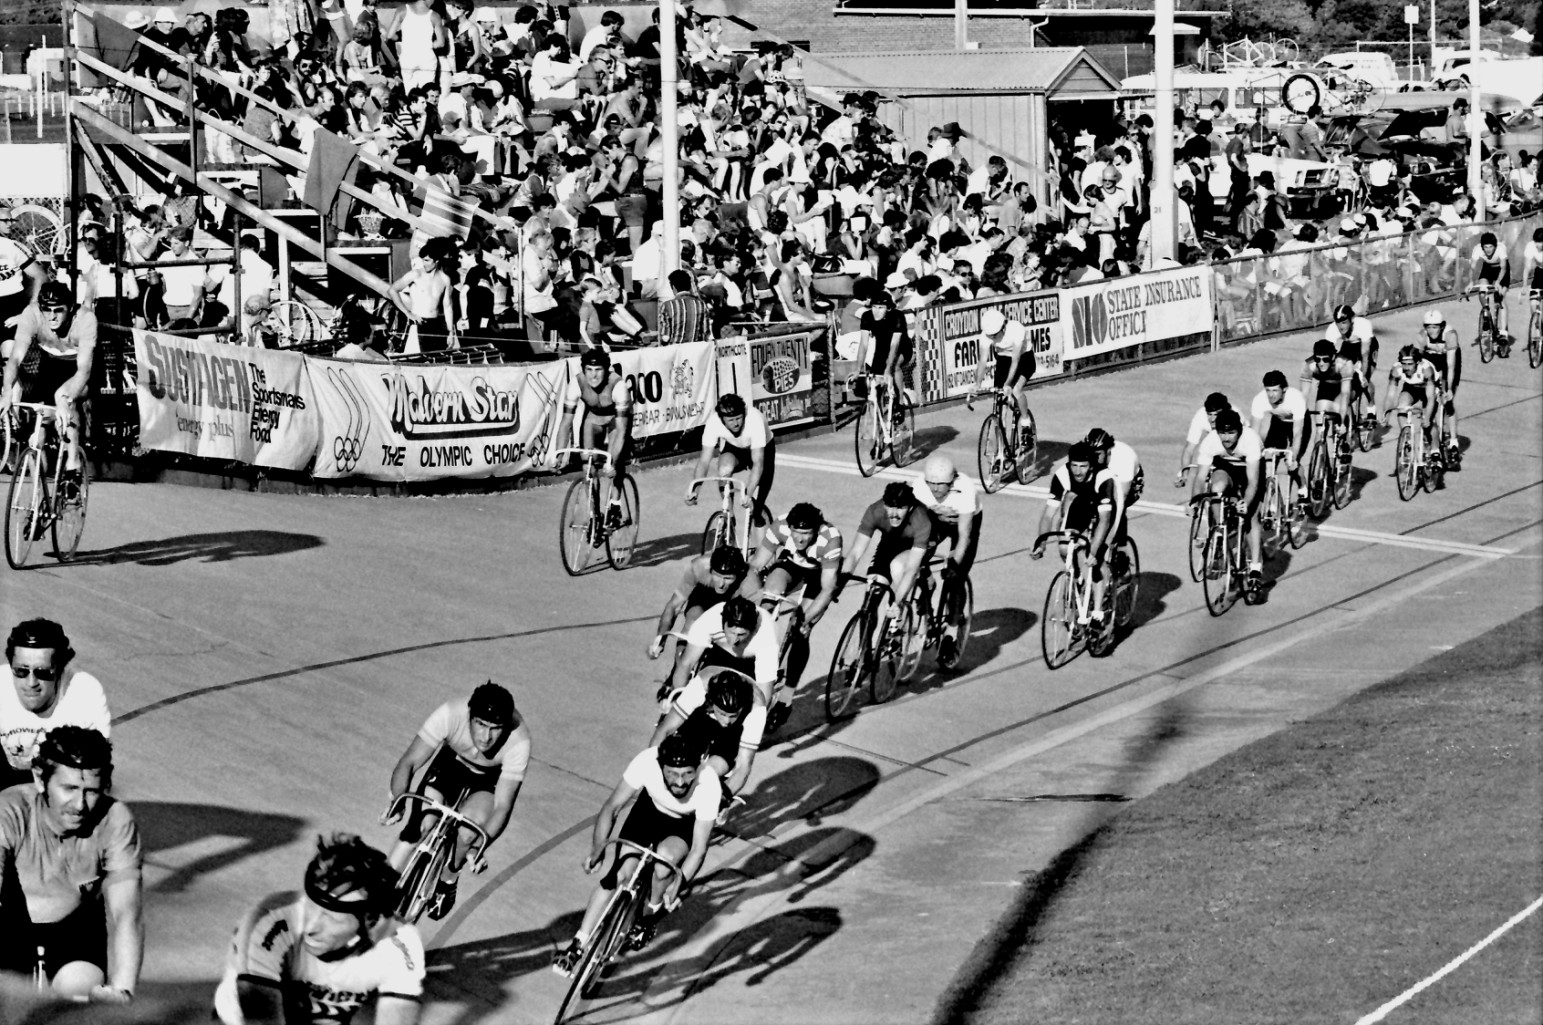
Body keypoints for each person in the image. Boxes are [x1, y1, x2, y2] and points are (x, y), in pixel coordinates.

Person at [552, 732, 720, 974]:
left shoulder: (709, 784)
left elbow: (698, 849)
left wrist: (679, 884)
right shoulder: (647, 761)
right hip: (648, 812)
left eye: (687, 774)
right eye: (672, 774)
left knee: (665, 866)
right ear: (661, 767)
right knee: (617, 876)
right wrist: (598, 848)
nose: (681, 782)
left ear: (699, 767)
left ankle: (648, 917)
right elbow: (612, 807)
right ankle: (578, 945)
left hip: (682, 825)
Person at [213, 833, 423, 1025]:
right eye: (311, 907)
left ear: (371, 921)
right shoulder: (269, 923)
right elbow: (261, 1020)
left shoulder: (401, 942)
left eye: (332, 918)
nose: (310, 927)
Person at [0, 726, 141, 1003]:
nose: (80, 805)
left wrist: (122, 992)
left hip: (72, 933)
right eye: (69, 789)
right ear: (40, 780)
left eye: (91, 791)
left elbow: (127, 913)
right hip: (8, 929)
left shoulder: (115, 821)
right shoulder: (8, 811)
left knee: (78, 999)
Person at [382, 681, 529, 921]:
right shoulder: (450, 713)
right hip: (451, 765)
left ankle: (449, 876)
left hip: (488, 782)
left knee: (469, 832)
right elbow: (409, 762)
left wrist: (477, 848)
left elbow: (503, 807)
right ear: (469, 715)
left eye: (495, 728)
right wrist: (398, 801)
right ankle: (382, 888)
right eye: (480, 724)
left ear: (507, 726)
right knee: (421, 823)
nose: (486, 736)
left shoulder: (519, 741)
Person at [748, 501, 843, 715]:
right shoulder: (780, 526)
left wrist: (805, 620)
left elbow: (827, 590)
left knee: (800, 631)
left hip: (819, 573)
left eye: (807, 533)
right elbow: (755, 566)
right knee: (767, 598)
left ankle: (786, 698)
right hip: (791, 564)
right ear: (789, 528)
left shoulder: (830, 538)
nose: (800, 538)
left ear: (816, 530)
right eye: (796, 532)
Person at [0, 283, 98, 487]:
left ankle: (72, 467)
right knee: (40, 425)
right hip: (51, 362)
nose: (52, 316)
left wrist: (66, 399)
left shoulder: (85, 320)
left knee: (63, 399)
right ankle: (38, 498)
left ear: (70, 308)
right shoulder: (32, 314)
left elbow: (84, 371)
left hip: (80, 366)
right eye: (47, 310)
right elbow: (15, 359)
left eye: (58, 310)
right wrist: (7, 391)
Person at [0, 619, 111, 793]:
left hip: (62, 779)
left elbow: (94, 772)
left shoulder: (84, 692)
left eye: (43, 672)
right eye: (21, 671)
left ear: (60, 669)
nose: (31, 683)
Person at [651, 651, 759, 816]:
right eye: (722, 714)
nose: (727, 720)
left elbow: (743, 767)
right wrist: (652, 767)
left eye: (732, 715)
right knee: (683, 754)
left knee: (712, 771)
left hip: (733, 732)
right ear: (711, 701)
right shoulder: (699, 689)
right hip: (702, 713)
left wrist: (722, 797)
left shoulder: (756, 710)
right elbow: (664, 730)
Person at [909, 453, 980, 668]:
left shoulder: (966, 488)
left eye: (942, 485)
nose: (936, 489)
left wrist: (955, 565)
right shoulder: (919, 487)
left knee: (955, 577)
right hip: (936, 521)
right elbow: (916, 529)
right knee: (918, 556)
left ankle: (951, 631)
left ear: (952, 481)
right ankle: (927, 587)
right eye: (931, 483)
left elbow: (965, 534)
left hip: (965, 523)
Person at [1032, 442, 1116, 623]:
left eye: (1083, 466)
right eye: (1074, 466)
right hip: (1082, 504)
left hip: (1102, 509)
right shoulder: (1062, 475)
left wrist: (1093, 551)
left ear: (1091, 466)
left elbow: (1105, 521)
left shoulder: (1104, 477)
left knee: (1095, 558)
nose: (1077, 471)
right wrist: (1041, 544)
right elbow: (1048, 514)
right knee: (1064, 547)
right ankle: (1077, 578)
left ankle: (1098, 612)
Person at [555, 347, 634, 523]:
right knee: (587, 466)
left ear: (606, 370)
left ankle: (615, 503)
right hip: (594, 419)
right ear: (583, 371)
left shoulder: (618, 385)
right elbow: (566, 422)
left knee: (614, 461)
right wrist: (559, 453)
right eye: (589, 370)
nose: (594, 376)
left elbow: (621, 430)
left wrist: (611, 461)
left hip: (617, 419)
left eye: (598, 370)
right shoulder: (576, 384)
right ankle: (594, 515)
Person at [1190, 408, 1265, 593]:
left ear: (1239, 430)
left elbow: (1253, 482)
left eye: (1231, 433)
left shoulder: (1251, 440)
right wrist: (1194, 502)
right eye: (1222, 433)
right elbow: (1200, 477)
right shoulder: (1210, 442)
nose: (1226, 438)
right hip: (1227, 467)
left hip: (1250, 469)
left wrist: (1245, 503)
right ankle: (1220, 531)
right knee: (1216, 488)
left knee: (1251, 516)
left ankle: (1255, 568)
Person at [648, 545, 754, 669]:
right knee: (693, 620)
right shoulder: (698, 567)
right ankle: (677, 669)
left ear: (738, 574)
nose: (721, 584)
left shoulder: (750, 583)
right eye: (717, 575)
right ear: (710, 569)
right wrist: (661, 637)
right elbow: (674, 606)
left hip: (733, 605)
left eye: (727, 578)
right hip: (705, 596)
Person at [840, 481, 932, 619]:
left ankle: (904, 620)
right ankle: (865, 640)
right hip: (890, 543)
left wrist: (897, 602)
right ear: (884, 504)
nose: (894, 514)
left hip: (916, 546)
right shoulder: (875, 511)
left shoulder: (921, 519)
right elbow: (855, 552)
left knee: (898, 569)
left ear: (910, 507)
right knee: (870, 602)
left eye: (900, 508)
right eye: (890, 507)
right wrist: (839, 583)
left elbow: (911, 568)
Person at [685, 393, 775, 531]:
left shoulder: (755, 419)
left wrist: (748, 494)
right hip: (734, 448)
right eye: (731, 420)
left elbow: (758, 463)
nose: (736, 423)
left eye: (739, 418)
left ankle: (759, 519)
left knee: (757, 506)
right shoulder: (713, 423)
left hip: (762, 449)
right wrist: (694, 490)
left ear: (744, 413)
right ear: (722, 419)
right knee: (723, 470)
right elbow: (704, 461)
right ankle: (730, 516)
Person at [968, 307, 1034, 448]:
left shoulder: (1016, 329)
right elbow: (982, 361)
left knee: (1015, 390)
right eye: (990, 335)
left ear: (1003, 326)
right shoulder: (986, 335)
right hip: (1003, 360)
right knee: (1000, 405)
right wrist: (977, 384)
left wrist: (1008, 384)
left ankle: (1025, 421)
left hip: (1024, 359)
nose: (993, 338)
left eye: (995, 335)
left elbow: (1015, 361)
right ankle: (1001, 450)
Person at [1249, 370, 1309, 511]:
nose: (1271, 395)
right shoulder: (1259, 399)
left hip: (1298, 423)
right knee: (1269, 461)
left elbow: (1298, 432)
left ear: (1284, 390)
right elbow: (1254, 432)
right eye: (1268, 390)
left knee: (1291, 463)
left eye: (1275, 390)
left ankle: (1303, 487)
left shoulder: (1296, 399)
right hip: (1279, 423)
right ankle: (1273, 499)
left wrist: (1293, 455)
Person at [856, 288, 912, 425]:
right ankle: (878, 424)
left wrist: (888, 369)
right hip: (881, 348)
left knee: (894, 366)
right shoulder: (867, 316)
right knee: (876, 382)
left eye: (881, 308)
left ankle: (899, 404)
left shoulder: (898, 316)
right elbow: (863, 344)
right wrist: (858, 368)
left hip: (902, 348)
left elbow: (895, 345)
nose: (876, 311)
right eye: (874, 307)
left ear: (888, 309)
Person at [1083, 427, 1143, 551]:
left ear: (1108, 451)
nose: (1093, 458)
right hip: (1105, 478)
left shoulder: (1124, 459)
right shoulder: (1092, 458)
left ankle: (1120, 548)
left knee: (1114, 508)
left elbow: (1121, 499)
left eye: (1098, 455)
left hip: (1129, 484)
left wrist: (1110, 537)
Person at [1417, 309, 1462, 466]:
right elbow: (1419, 362)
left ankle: (1454, 441)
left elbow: (1450, 365)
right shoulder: (1422, 336)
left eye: (1435, 327)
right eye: (1428, 327)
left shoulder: (1450, 335)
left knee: (1447, 400)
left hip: (1448, 359)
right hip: (1431, 359)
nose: (1431, 331)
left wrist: (1448, 389)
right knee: (1428, 397)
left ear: (1442, 326)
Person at [1323, 303, 1378, 423]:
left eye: (1344, 322)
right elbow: (1327, 354)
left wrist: (1363, 374)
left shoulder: (1363, 325)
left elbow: (1365, 354)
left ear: (1352, 320)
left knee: (1364, 379)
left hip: (1366, 346)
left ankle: (1371, 406)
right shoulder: (1332, 329)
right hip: (1348, 346)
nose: (1340, 326)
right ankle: (1350, 416)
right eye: (1338, 322)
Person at [0, 204, 46, 345]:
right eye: (5, 220)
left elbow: (40, 276)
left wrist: (33, 304)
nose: (10, 224)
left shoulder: (11, 246)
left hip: (10, 306)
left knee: (10, 357)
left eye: (12, 220)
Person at [1382, 344, 1442, 452]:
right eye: (1404, 364)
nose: (1406, 368)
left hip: (1429, 388)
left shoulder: (1426, 370)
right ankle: (1407, 438)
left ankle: (1435, 451)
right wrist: (1386, 414)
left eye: (1410, 364)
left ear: (1418, 362)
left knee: (1428, 422)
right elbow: (1390, 394)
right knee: (1401, 407)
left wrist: (1427, 417)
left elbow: (1430, 398)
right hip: (1411, 387)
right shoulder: (1396, 369)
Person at [1299, 337, 1355, 444]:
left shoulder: (1344, 364)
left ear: (1333, 357)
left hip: (1344, 386)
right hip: (1326, 385)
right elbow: (1304, 395)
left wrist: (1342, 421)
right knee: (1320, 429)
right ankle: (1319, 455)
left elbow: (1345, 394)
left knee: (1339, 408)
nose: (1321, 363)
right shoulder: (1309, 365)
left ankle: (1345, 438)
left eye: (1325, 359)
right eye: (1317, 359)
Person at [1176, 392, 1236, 489]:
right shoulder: (1200, 416)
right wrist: (1184, 475)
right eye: (1209, 414)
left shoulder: (1234, 417)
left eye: (1216, 415)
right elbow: (1189, 448)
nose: (1212, 419)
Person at [1467, 230, 1511, 346]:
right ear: (1482, 247)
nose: (1488, 250)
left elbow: (1504, 268)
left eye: (1491, 247)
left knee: (1500, 298)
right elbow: (1472, 267)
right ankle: (1486, 314)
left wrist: (1498, 282)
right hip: (1488, 269)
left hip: (1501, 270)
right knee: (1482, 290)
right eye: (1485, 247)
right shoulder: (1477, 250)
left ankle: (1503, 333)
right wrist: (1470, 282)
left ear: (1495, 246)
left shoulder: (1501, 249)